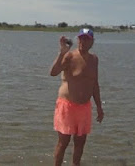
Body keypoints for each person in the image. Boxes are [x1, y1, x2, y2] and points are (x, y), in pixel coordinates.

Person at [49, 28, 104, 166]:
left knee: (80, 143)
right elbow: (53, 72)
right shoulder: (69, 56)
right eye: (81, 38)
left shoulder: (94, 59)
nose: (83, 42)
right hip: (67, 106)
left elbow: (94, 84)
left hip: (84, 107)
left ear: (92, 42)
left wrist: (99, 107)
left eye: (86, 39)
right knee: (63, 142)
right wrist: (61, 53)